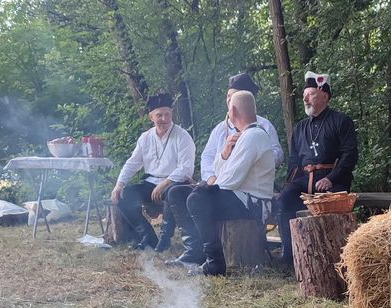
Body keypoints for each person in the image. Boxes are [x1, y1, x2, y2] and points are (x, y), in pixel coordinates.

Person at [165, 71, 283, 265]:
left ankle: (214, 261)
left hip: (250, 201)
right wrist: (225, 154)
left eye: (232, 100)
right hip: (230, 190)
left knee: (197, 198)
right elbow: (210, 160)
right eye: (228, 97)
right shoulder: (224, 129)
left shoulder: (256, 132)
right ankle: (195, 251)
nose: (228, 103)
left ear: (234, 110)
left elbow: (230, 180)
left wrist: (209, 186)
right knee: (177, 193)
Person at [278, 71, 358, 264]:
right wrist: (289, 182)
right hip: (305, 180)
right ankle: (290, 256)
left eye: (310, 94)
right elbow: (294, 160)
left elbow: (350, 155)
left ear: (324, 96)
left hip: (332, 179)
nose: (305, 98)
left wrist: (331, 178)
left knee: (331, 203)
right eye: (305, 95)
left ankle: (334, 258)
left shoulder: (341, 121)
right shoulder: (300, 128)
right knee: (284, 199)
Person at [110, 92, 195, 250]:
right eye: (159, 115)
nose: (164, 119)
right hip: (151, 182)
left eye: (167, 114)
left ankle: (164, 239)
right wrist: (119, 184)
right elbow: (133, 163)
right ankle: (147, 237)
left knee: (171, 193)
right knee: (125, 194)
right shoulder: (145, 138)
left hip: (175, 183)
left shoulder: (183, 136)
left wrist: (165, 183)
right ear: (151, 117)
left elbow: (186, 167)